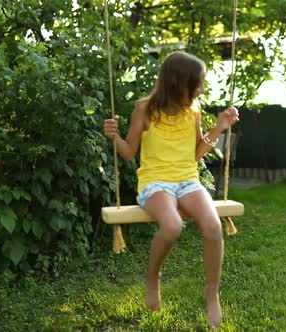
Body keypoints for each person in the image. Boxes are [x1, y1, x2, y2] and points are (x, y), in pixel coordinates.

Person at [103, 51, 239, 328]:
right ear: (179, 83)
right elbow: (129, 153)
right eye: (198, 84)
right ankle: (153, 277)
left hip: (188, 179)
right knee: (173, 226)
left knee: (213, 226)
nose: (201, 89)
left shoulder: (194, 109)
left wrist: (219, 129)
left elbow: (195, 154)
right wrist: (114, 137)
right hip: (155, 182)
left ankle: (212, 292)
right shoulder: (145, 108)